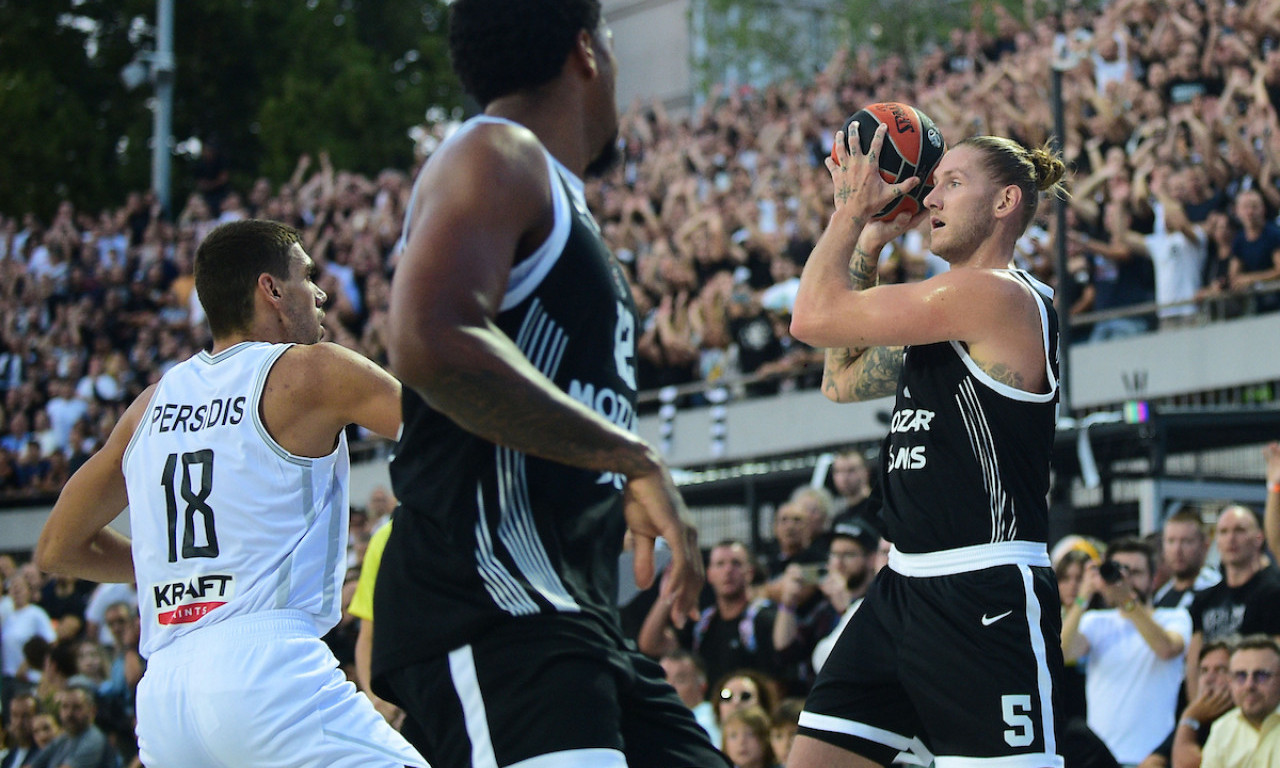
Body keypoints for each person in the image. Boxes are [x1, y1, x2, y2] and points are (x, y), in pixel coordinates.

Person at [369, 3, 719, 767]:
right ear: (586, 51)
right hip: (491, 599)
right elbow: (430, 342)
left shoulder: (551, 188)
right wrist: (632, 458)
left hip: (568, 611)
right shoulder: (499, 152)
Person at [34, 219, 426, 768]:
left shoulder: (150, 405)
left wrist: (172, 573)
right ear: (271, 289)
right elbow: (451, 435)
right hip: (266, 672)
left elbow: (56, 547)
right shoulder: (313, 370)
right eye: (306, 276)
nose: (320, 293)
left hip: (166, 698)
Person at [787, 129, 1067, 768]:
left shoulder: (995, 295)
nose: (932, 196)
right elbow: (840, 380)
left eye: (954, 182)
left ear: (1004, 204)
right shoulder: (946, 314)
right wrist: (869, 244)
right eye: (935, 181)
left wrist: (850, 211)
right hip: (904, 584)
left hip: (983, 587)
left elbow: (811, 316)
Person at [1061, 537, 1191, 765]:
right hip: (1099, 759)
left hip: (1153, 759)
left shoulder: (1174, 617)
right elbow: (1062, 653)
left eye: (1135, 572)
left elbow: (1167, 649)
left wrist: (1127, 602)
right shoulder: (1095, 621)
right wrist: (1084, 594)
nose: (1125, 580)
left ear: (1153, 579)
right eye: (1119, 571)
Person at [640, 540, 780, 689]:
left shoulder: (764, 618)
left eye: (736, 563)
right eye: (720, 564)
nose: (728, 570)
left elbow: (777, 679)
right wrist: (669, 591)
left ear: (750, 573)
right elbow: (651, 645)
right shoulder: (702, 622)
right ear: (709, 574)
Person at [1185, 506, 1280, 700]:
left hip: (1254, 699)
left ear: (1259, 538)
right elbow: (1193, 662)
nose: (1231, 539)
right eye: (1224, 532)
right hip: (1212, 700)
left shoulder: (1272, 592)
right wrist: (1196, 709)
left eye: (1240, 530)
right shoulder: (1203, 599)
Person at [1200, 636, 1280, 768]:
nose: (1249, 685)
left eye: (1261, 675)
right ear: (1230, 681)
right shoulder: (1222, 729)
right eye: (1240, 676)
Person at [27, 685, 116, 768]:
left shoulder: (93, 739)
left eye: (77, 707)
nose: (69, 713)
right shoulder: (64, 738)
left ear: (92, 711)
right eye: (65, 707)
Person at [1155, 510, 1221, 610]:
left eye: (1186, 541)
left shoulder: (1216, 590)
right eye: (1171, 541)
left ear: (1205, 546)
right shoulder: (1161, 595)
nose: (1177, 550)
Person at [660, 649, 721, 746]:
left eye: (680, 680)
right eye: (663, 678)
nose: (669, 686)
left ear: (702, 685)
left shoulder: (712, 720)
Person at [0, 693, 37, 768]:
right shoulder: (8, 758)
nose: (19, 722)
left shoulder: (42, 754)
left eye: (25, 716)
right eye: (15, 715)